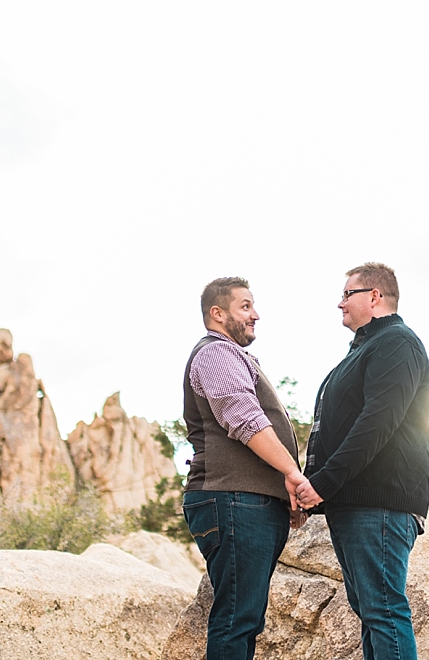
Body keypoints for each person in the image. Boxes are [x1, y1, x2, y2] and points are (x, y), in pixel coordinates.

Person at [295, 262, 429, 660]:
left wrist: (322, 483)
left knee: (384, 612)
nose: (339, 304)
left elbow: (377, 422)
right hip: (356, 504)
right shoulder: (367, 348)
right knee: (373, 613)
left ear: (374, 297)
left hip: (380, 502)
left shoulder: (397, 343)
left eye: (346, 294)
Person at [182, 276, 307, 660]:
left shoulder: (232, 356)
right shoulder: (217, 354)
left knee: (244, 618)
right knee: (238, 619)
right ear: (217, 314)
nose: (256, 315)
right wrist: (292, 474)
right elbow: (244, 418)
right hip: (233, 500)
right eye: (245, 306)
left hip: (245, 502)